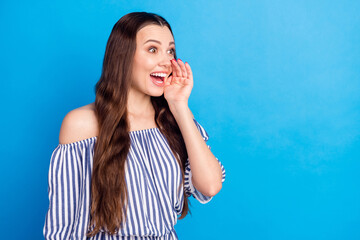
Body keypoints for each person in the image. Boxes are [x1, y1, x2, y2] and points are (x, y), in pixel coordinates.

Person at [43, 12, 226, 240]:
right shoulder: (82, 124)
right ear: (123, 55)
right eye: (152, 49)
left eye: (170, 50)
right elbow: (65, 227)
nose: (166, 61)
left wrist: (179, 106)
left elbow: (209, 186)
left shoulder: (174, 119)